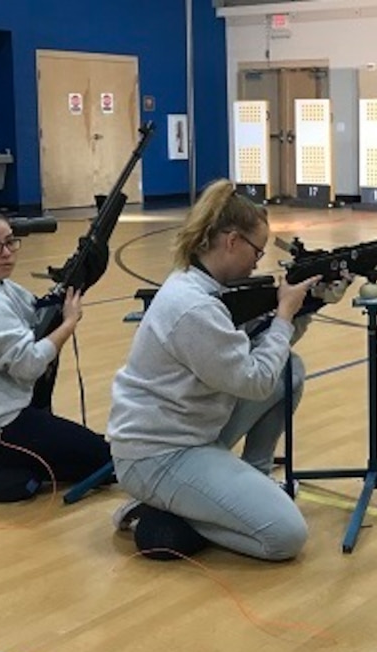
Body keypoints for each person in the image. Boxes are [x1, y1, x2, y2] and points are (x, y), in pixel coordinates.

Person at [106, 179, 320, 562]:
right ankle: (171, 508)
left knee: (290, 368)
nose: (259, 261)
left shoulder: (206, 288)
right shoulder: (193, 306)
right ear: (232, 241)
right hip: (159, 454)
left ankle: (248, 478)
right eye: (257, 249)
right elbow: (253, 381)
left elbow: (268, 352)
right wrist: (285, 315)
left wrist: (310, 307)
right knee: (284, 537)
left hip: (193, 429)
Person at [0, 210, 110, 504]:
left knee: (85, 453)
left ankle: (15, 460)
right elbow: (29, 365)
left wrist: (78, 277)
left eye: (10, 242)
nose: (5, 253)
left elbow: (37, 312)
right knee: (105, 463)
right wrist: (69, 323)